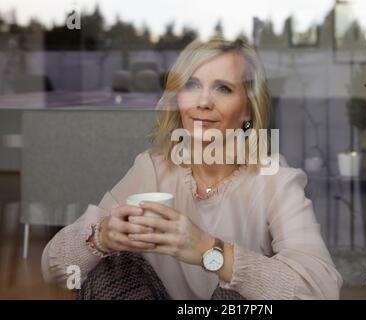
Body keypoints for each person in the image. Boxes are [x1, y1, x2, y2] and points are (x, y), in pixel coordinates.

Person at [41, 37, 342, 300]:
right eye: (192, 85)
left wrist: (210, 251)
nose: (203, 101)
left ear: (248, 109)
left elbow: (322, 290)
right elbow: (53, 268)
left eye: (223, 88)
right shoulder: (152, 168)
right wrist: (101, 237)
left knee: (235, 294)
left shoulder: (275, 179)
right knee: (108, 268)